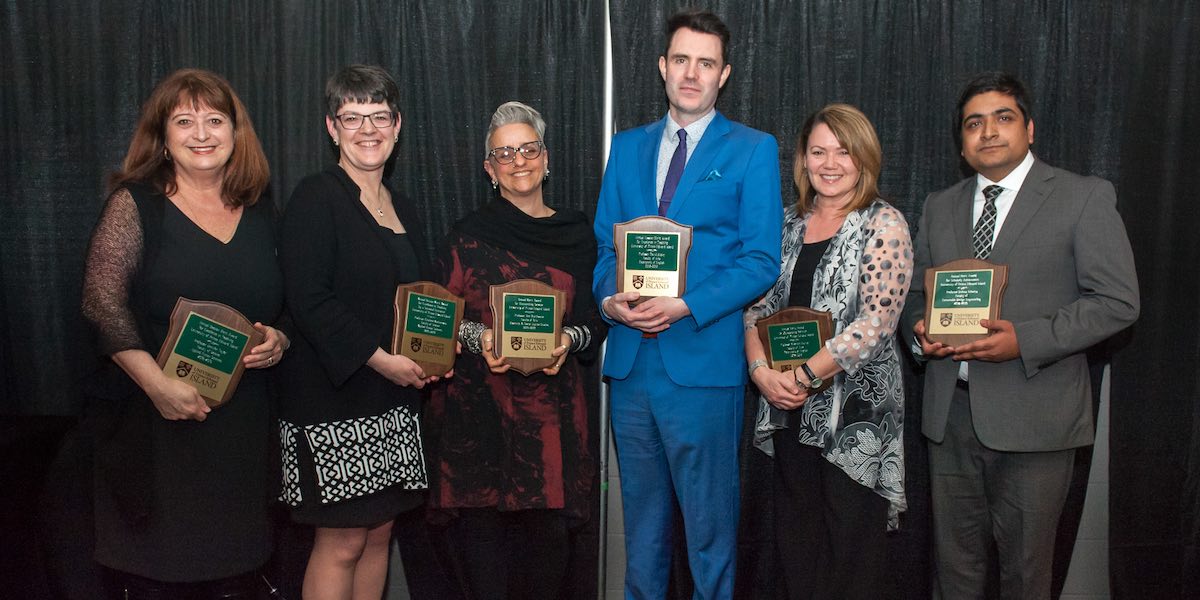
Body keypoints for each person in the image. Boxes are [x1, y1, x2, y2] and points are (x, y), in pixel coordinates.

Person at [901, 72, 1140, 598]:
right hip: (950, 417)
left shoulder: (1083, 197)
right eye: (973, 123)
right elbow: (915, 293)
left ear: (1029, 129)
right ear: (962, 145)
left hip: (1038, 416)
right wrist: (919, 331)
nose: (988, 131)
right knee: (954, 573)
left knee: (1026, 576)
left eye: (1002, 118)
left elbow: (1118, 302)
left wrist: (1025, 340)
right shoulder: (939, 205)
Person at [592, 9, 782, 598]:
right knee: (641, 533)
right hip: (630, 367)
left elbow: (760, 262)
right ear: (662, 67)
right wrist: (609, 303)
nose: (691, 73)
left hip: (701, 364)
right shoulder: (625, 148)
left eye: (705, 62)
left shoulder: (752, 149)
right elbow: (605, 247)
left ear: (723, 74)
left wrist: (685, 305)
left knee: (708, 534)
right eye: (681, 60)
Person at [81, 68, 288, 599]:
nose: (202, 133)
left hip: (240, 435)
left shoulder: (261, 212)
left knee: (238, 575)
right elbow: (102, 304)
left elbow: (280, 305)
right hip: (158, 431)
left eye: (215, 120)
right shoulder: (136, 205)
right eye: (185, 121)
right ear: (163, 137)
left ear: (236, 133)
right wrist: (157, 387)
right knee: (165, 578)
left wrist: (278, 339)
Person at [275, 65, 443, 600]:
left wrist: (433, 349)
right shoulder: (316, 197)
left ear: (398, 126)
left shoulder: (405, 208)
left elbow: (419, 302)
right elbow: (309, 300)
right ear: (332, 127)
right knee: (343, 542)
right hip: (335, 400)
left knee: (379, 537)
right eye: (352, 117)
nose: (367, 129)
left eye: (379, 116)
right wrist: (379, 358)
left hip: (393, 402)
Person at [426, 100, 605, 600]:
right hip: (478, 428)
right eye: (505, 153)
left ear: (547, 158)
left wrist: (568, 340)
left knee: (545, 573)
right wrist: (477, 339)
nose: (518, 160)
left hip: (550, 433)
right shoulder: (465, 235)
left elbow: (594, 322)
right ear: (489, 169)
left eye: (528, 148)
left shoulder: (577, 235)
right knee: (485, 576)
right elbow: (440, 319)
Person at [743, 103, 911, 599]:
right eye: (819, 151)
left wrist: (800, 378)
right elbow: (754, 308)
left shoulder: (884, 222)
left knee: (851, 560)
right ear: (803, 159)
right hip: (789, 413)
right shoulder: (787, 224)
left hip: (854, 421)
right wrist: (759, 371)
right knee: (797, 547)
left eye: (844, 151)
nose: (830, 163)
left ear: (865, 158)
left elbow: (877, 322)